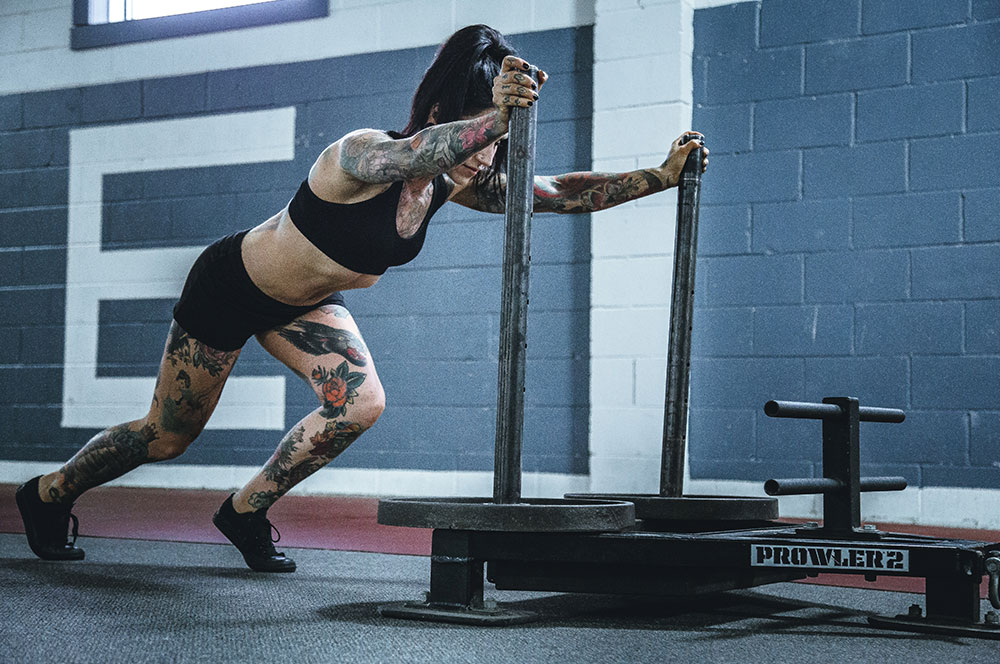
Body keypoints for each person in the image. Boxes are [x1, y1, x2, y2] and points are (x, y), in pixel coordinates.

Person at [15, 24, 708, 572]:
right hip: (230, 288)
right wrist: (495, 120)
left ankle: (245, 510)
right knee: (166, 436)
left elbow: (555, 193)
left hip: (303, 306)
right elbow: (418, 154)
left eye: (492, 147)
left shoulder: (459, 177)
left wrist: (660, 174)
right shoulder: (363, 155)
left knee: (362, 403)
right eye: (476, 136)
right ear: (441, 114)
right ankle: (47, 494)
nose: (483, 163)